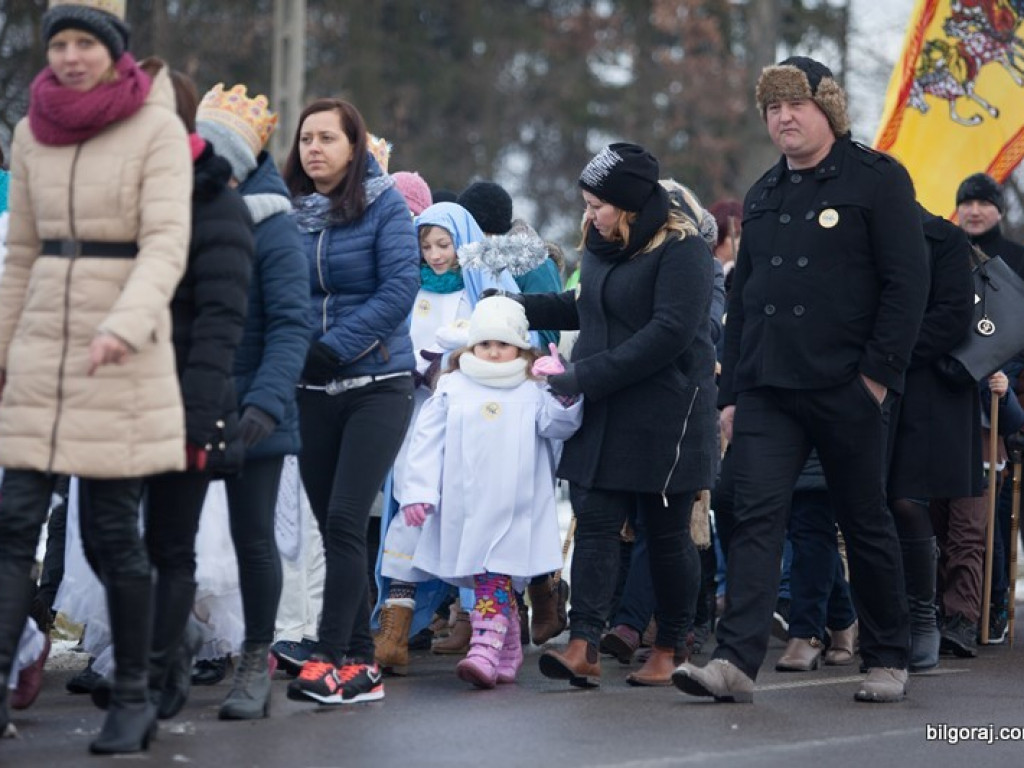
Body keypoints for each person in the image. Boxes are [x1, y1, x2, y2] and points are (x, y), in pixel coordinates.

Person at [673, 56, 929, 704]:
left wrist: (877, 378)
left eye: (796, 105)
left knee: (863, 518)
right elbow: (746, 299)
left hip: (850, 384)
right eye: (773, 108)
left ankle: (887, 657)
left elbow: (907, 285)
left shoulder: (878, 180)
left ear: (829, 110)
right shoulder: (763, 194)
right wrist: (733, 396)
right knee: (747, 509)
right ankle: (735, 660)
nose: (783, 118)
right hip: (769, 388)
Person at [0, 0, 192, 752]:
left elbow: (166, 245)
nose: (71, 56)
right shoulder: (29, 131)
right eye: (61, 43)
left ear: (114, 51)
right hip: (43, 348)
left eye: (86, 42)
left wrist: (126, 323)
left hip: (119, 353)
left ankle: (136, 695)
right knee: (14, 523)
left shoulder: (155, 129)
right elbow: (19, 258)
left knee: (113, 533)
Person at [512, 142, 719, 688]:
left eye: (597, 204)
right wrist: (512, 305)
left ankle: (670, 645)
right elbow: (584, 306)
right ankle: (583, 645)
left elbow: (667, 335)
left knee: (667, 534)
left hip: (666, 415)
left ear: (627, 203)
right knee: (597, 523)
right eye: (585, 203)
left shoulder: (683, 251)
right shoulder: (603, 245)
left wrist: (584, 376)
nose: (588, 214)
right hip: (605, 411)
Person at [123, 63, 253, 720]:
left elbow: (221, 318)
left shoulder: (215, 202)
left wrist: (198, 417)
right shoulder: (112, 188)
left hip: (184, 397)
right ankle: (154, 657)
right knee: (111, 539)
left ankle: (146, 678)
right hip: (113, 395)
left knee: (169, 542)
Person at [282, 98, 419, 706]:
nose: (314, 148)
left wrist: (334, 347)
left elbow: (399, 287)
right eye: (306, 138)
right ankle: (363, 665)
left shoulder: (384, 202)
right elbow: (277, 291)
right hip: (309, 388)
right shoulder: (287, 210)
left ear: (354, 146)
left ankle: (326, 656)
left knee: (343, 520)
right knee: (332, 529)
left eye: (327, 138)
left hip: (376, 384)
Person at [195, 82, 311, 719]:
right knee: (163, 535)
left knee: (252, 539)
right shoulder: (184, 212)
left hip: (254, 408)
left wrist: (264, 404)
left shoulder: (275, 226)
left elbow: (293, 322)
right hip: (190, 399)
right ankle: (172, 643)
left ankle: (253, 662)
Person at [399, 296, 582, 688]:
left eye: (504, 344)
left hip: (516, 504)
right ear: (471, 346)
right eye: (485, 344)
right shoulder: (453, 385)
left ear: (520, 346)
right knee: (489, 575)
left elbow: (558, 426)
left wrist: (563, 389)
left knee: (493, 575)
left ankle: (484, 647)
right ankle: (508, 645)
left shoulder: (532, 387)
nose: (494, 352)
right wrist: (419, 491)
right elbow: (427, 440)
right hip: (466, 505)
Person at [373, 201, 488, 674]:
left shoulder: (482, 288)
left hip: (466, 416)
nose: (436, 256)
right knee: (410, 508)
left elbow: (503, 341)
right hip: (416, 414)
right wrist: (414, 368)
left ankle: (482, 624)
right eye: (426, 246)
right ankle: (397, 626)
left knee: (468, 512)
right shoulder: (411, 289)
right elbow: (393, 337)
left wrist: (458, 364)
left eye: (444, 245)